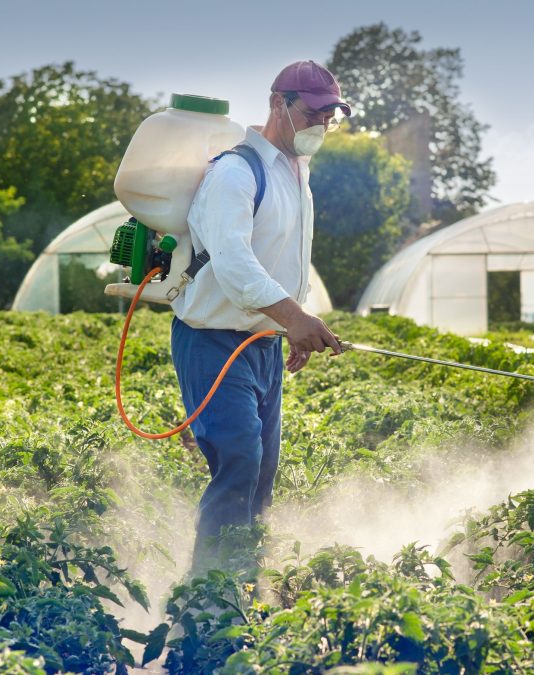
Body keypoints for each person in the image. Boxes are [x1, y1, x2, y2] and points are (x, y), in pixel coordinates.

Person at [170, 60, 351, 572]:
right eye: (313, 113)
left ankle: (247, 581)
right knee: (239, 464)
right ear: (279, 104)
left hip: (261, 345)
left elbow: (282, 259)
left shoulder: (297, 172)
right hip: (213, 343)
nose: (322, 125)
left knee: (262, 473)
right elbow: (233, 262)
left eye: (330, 116)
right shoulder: (235, 171)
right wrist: (293, 317)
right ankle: (209, 596)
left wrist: (286, 325)